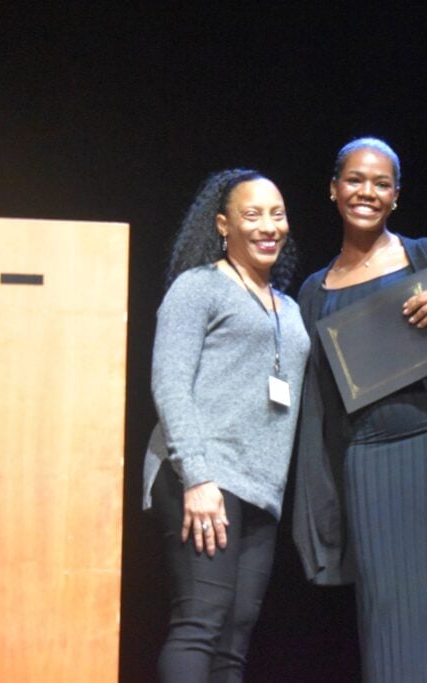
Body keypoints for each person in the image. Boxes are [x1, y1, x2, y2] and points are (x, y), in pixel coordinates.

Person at [292, 137, 427, 682]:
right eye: (356, 180)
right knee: (386, 630)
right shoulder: (314, 293)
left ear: (396, 197)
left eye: (381, 183)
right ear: (334, 188)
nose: (367, 192)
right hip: (368, 469)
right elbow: (318, 409)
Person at [143, 169, 310, 682]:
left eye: (277, 214)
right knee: (200, 622)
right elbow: (169, 383)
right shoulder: (200, 287)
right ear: (223, 225)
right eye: (252, 214)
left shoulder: (291, 309)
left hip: (261, 491)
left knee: (234, 640)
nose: (268, 226)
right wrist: (196, 476)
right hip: (203, 477)